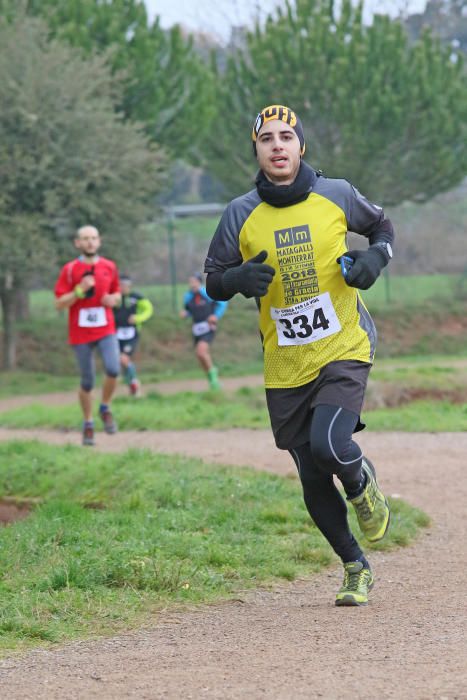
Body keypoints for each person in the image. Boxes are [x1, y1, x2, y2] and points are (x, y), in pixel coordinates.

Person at [205, 105, 394, 607]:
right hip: (284, 359)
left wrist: (373, 259)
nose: (277, 145)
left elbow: (383, 229)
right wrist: (238, 280)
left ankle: (361, 481)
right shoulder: (240, 213)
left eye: (286, 135)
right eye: (266, 138)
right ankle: (355, 567)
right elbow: (213, 278)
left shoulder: (336, 194)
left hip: (343, 343)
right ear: (257, 150)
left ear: (301, 145)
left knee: (330, 446)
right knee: (310, 471)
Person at [54, 225, 121, 446]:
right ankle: (88, 422)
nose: (90, 242)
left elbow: (117, 293)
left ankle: (104, 407)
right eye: (85, 238)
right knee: (87, 381)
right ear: (77, 243)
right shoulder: (70, 270)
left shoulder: (109, 267)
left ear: (99, 241)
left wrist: (114, 299)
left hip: (105, 328)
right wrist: (80, 290)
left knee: (113, 368)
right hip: (80, 332)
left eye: (93, 238)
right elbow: (58, 303)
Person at [179, 272, 228, 390]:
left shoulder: (206, 293)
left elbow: (223, 303)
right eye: (190, 282)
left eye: (194, 282)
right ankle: (212, 379)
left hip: (208, 327)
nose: (192, 284)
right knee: (200, 356)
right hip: (196, 329)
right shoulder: (188, 296)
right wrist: (186, 314)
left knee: (201, 352)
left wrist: (215, 316)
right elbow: (190, 310)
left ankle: (214, 378)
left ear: (199, 282)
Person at [113, 274, 154, 397]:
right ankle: (131, 384)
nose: (122, 288)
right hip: (116, 334)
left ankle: (134, 382)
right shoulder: (114, 298)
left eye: (125, 285)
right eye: (120, 285)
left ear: (130, 286)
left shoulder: (137, 297)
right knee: (121, 361)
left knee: (124, 359)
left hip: (131, 333)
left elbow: (149, 310)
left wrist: (138, 318)